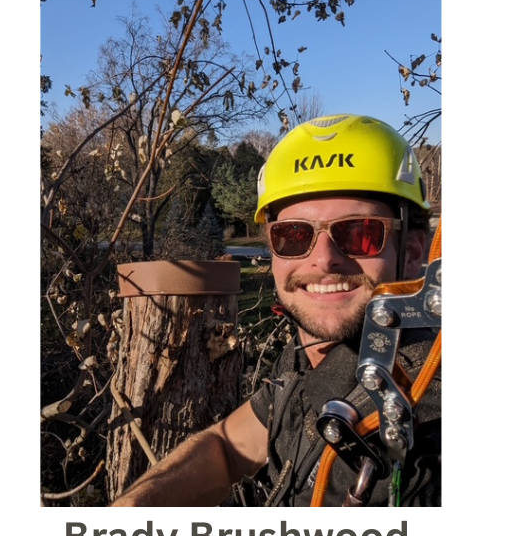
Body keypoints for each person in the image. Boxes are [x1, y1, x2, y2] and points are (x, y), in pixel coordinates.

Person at [112, 114, 439, 507]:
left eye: (360, 233)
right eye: (294, 236)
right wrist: (134, 508)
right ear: (272, 248)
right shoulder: (309, 357)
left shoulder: (429, 406)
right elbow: (226, 447)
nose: (323, 260)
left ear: (415, 251)